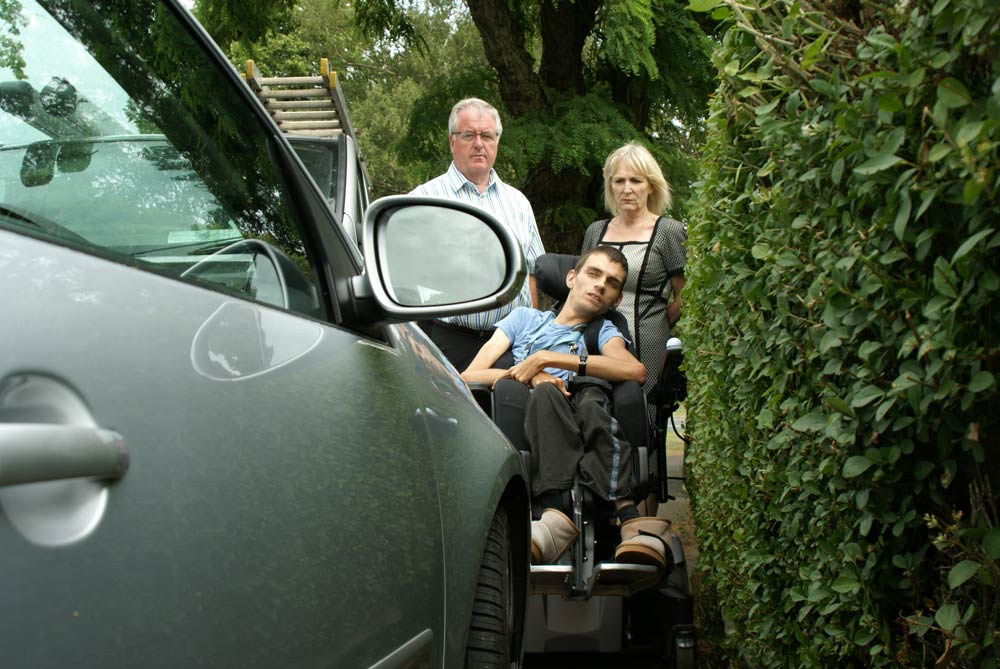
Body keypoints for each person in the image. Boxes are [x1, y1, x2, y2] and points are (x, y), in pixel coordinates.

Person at [461, 246, 674, 569]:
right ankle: (555, 513)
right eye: (593, 273)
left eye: (612, 283)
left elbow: (635, 371)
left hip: (589, 412)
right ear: (572, 278)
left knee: (592, 397)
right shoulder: (525, 319)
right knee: (545, 395)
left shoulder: (603, 330)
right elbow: (469, 376)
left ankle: (629, 518)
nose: (601, 284)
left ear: (616, 300)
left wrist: (549, 358)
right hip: (534, 415)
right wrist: (532, 375)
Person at [412, 97, 545, 370]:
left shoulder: (518, 203)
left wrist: (529, 327)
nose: (478, 143)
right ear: (452, 141)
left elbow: (532, 270)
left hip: (508, 344)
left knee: (509, 414)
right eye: (469, 135)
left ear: (496, 141)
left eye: (487, 135)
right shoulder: (423, 199)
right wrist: (410, 337)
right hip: (446, 343)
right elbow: (402, 275)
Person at [581, 143, 686, 401]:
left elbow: (686, 297)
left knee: (645, 418)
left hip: (649, 345)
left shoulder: (669, 231)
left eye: (636, 181)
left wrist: (659, 322)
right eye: (620, 181)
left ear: (650, 185)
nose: (627, 189)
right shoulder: (596, 232)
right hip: (595, 344)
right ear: (610, 186)